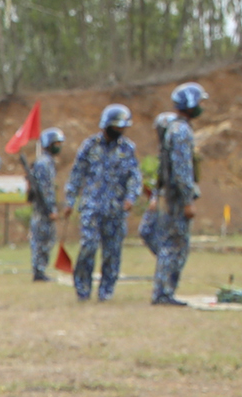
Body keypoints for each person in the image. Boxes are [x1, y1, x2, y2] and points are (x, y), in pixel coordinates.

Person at [63, 104, 142, 302]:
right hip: (92, 207)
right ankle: (82, 289)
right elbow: (77, 174)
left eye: (123, 127)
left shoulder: (127, 148)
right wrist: (70, 200)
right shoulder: (90, 146)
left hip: (116, 209)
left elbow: (134, 176)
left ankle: (106, 290)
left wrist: (131, 197)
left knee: (112, 252)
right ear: (106, 125)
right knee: (88, 245)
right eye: (117, 126)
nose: (120, 130)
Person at [152, 82, 207, 306]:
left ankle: (163, 292)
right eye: (199, 102)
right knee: (175, 246)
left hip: (172, 196)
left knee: (170, 243)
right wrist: (188, 200)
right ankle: (164, 293)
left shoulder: (173, 128)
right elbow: (182, 170)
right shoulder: (181, 131)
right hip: (178, 198)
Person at [139, 113, 177, 258]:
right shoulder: (165, 151)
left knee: (152, 231)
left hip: (168, 200)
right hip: (160, 197)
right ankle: (165, 259)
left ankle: (166, 260)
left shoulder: (176, 152)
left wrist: (159, 198)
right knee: (147, 231)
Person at [27, 129, 62, 281]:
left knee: (46, 240)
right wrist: (50, 209)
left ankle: (40, 271)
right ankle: (39, 272)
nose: (59, 147)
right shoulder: (44, 163)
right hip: (43, 210)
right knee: (42, 241)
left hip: (43, 209)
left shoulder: (46, 162)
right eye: (56, 143)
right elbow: (44, 189)